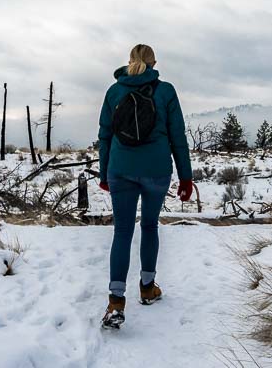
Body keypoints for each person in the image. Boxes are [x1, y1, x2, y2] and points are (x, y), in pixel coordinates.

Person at [97, 44, 193, 329]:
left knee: (123, 231)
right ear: (153, 63)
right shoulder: (166, 91)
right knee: (149, 226)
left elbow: (105, 136)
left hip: (121, 170)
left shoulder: (114, 92)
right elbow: (178, 136)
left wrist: (104, 174)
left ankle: (116, 302)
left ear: (129, 62)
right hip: (156, 171)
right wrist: (186, 177)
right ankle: (148, 288)